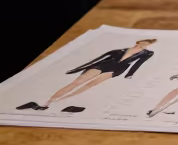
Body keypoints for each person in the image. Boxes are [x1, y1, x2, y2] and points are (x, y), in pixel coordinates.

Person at [16, 39, 157, 112]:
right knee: (77, 82)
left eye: (148, 45)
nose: (145, 46)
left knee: (89, 85)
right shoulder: (117, 50)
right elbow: (96, 60)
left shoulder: (147, 54)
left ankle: (60, 102)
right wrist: (78, 69)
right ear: (138, 42)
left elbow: (137, 64)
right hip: (102, 65)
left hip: (117, 69)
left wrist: (129, 75)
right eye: (144, 43)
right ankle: (48, 101)